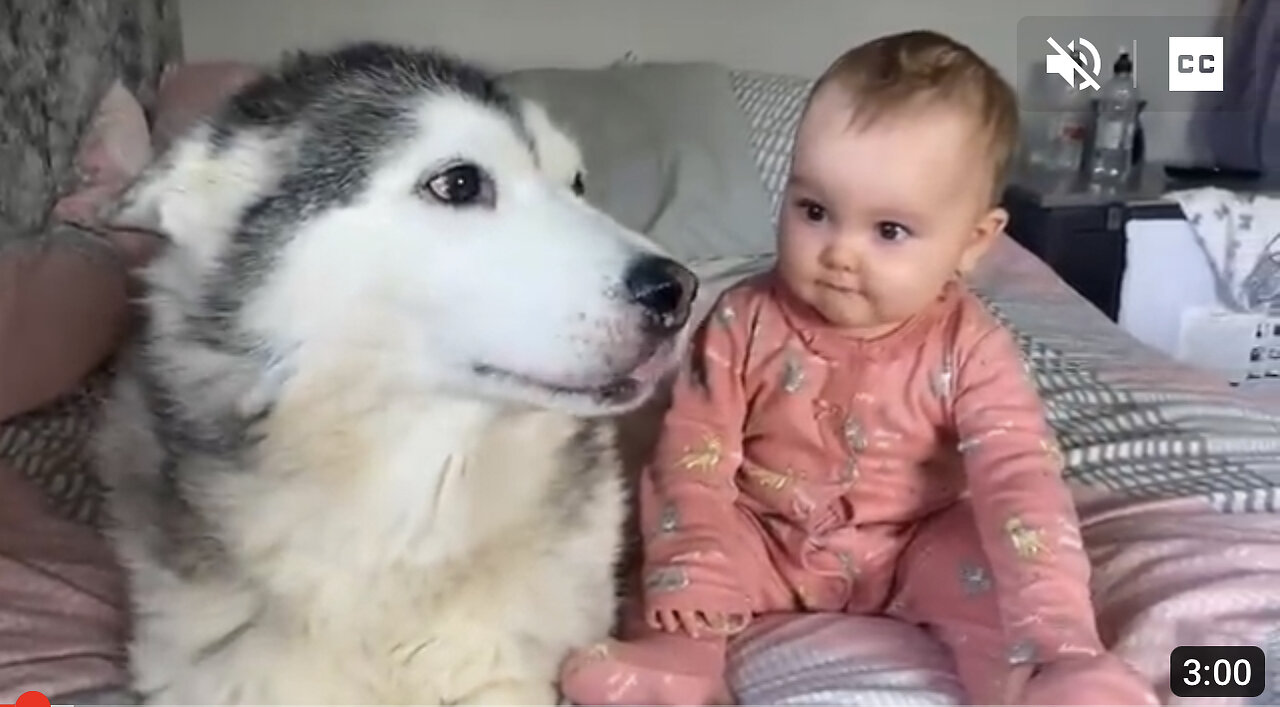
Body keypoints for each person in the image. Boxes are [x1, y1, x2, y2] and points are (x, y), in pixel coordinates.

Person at [558, 29, 1160, 707]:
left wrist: (1058, 625)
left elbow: (1017, 476)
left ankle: (1051, 675)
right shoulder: (744, 320)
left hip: (914, 543)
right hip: (768, 533)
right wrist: (692, 559)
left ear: (973, 243)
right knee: (680, 554)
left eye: (889, 231)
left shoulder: (972, 347)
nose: (839, 252)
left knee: (1001, 559)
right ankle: (676, 667)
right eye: (814, 211)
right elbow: (694, 452)